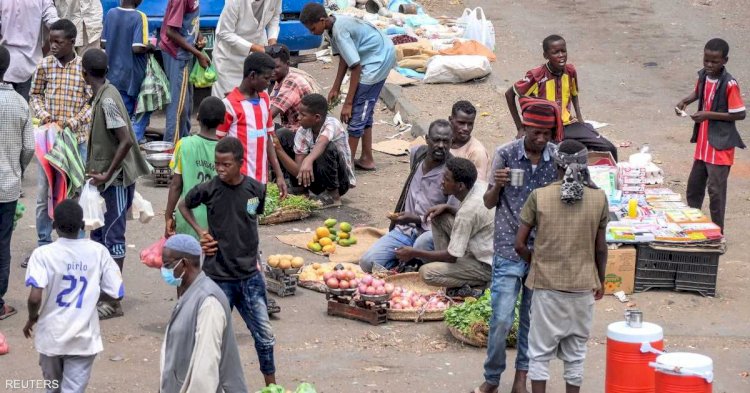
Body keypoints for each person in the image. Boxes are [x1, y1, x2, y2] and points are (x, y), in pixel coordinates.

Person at [475, 97, 560, 393]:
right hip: (509, 247)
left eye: (546, 133)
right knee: (500, 319)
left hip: (541, 252)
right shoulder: (506, 154)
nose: (540, 139)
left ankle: (521, 377)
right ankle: (492, 377)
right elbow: (488, 203)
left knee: (531, 321)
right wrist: (497, 184)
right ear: (524, 127)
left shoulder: (556, 158)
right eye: (535, 132)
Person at [179, 137, 277, 387]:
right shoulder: (209, 189)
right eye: (217, 164)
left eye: (226, 165)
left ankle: (272, 386)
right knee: (209, 340)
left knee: (264, 337)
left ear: (240, 164)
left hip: (249, 278)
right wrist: (201, 232)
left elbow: (251, 216)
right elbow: (184, 205)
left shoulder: (255, 190)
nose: (220, 169)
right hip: (217, 279)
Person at [515, 139, 609, 393]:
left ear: (556, 163)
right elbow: (600, 248)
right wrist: (600, 279)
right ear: (584, 164)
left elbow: (519, 244)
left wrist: (536, 263)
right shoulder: (598, 198)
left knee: (539, 354)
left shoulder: (540, 196)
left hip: (546, 288)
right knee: (576, 355)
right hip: (582, 289)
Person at [22, 200, 124, 392]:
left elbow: (35, 297)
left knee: (52, 387)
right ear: (82, 225)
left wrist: (32, 318)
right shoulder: (98, 251)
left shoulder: (42, 254)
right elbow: (117, 292)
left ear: (53, 226)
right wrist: (90, 296)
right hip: (83, 338)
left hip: (51, 336)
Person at [81, 49, 150, 319]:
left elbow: (126, 140)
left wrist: (107, 173)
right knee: (99, 237)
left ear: (84, 73)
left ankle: (113, 299)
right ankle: (103, 292)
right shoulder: (103, 95)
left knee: (113, 237)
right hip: (105, 179)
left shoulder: (108, 100)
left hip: (116, 180)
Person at [301, 2, 396, 171]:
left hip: (378, 59)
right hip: (377, 54)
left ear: (322, 20)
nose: (311, 32)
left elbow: (356, 67)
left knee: (357, 113)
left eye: (312, 28)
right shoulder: (332, 25)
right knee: (365, 109)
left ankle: (346, 165)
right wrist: (335, 87)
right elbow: (345, 57)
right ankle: (367, 158)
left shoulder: (338, 31)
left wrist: (348, 103)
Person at [28, 18, 92, 266]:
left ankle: (76, 244)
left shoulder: (82, 69)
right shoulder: (44, 66)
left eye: (58, 41)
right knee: (45, 194)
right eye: (50, 40)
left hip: (76, 141)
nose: (53, 45)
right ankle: (44, 244)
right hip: (49, 141)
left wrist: (73, 122)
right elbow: (35, 96)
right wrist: (46, 117)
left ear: (72, 42)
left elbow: (90, 102)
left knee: (74, 192)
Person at [359, 120, 453, 273]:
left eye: (445, 141)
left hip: (431, 235)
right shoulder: (417, 154)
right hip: (404, 230)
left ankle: (417, 264)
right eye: (436, 140)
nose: (441, 145)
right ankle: (403, 267)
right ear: (427, 139)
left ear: (451, 142)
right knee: (367, 262)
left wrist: (416, 219)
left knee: (422, 244)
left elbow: (451, 218)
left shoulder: (452, 171)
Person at [506, 34, 618, 161]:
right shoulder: (536, 76)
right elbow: (510, 94)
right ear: (546, 56)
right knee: (551, 159)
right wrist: (520, 128)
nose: (561, 55)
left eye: (563, 51)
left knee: (609, 148)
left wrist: (580, 119)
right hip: (547, 128)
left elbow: (574, 94)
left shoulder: (570, 71)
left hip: (568, 125)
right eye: (555, 52)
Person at [159, 234, 248, 393]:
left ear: (184, 263)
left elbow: (205, 369)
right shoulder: (189, 294)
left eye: (167, 264)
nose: (164, 270)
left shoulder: (209, 302)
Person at [676, 38, 746, 233]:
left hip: (720, 146)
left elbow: (739, 113)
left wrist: (707, 114)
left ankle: (718, 231)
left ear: (725, 61)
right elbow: (699, 93)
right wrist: (685, 101)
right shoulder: (704, 76)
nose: (709, 65)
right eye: (706, 60)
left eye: (714, 61)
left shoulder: (730, 84)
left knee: (716, 192)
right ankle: (692, 225)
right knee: (694, 188)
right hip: (703, 144)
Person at [395, 157, 494, 294]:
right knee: (438, 217)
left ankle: (478, 284)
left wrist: (413, 253)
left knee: (426, 273)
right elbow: (474, 219)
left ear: (460, 186)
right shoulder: (477, 185)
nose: (442, 182)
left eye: (446, 179)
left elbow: (451, 256)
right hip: (477, 246)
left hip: (485, 264)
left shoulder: (467, 212)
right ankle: (454, 272)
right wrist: (449, 207)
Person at [217, 52, 287, 198]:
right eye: (266, 78)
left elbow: (268, 138)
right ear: (253, 75)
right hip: (237, 182)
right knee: (241, 218)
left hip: (261, 181)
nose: (269, 83)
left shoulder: (265, 98)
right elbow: (217, 143)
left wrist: (279, 175)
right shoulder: (229, 105)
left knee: (253, 217)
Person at [0, 46, 35, 320]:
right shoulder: (20, 104)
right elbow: (28, 148)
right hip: (7, 186)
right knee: (2, 244)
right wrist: (18, 170)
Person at [275, 94, 355, 206]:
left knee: (325, 148)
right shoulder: (302, 131)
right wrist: (278, 149)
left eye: (303, 115)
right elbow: (299, 171)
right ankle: (300, 190)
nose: (298, 118)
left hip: (339, 181)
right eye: (299, 113)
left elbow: (322, 142)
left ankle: (333, 197)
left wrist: (308, 160)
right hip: (315, 179)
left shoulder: (332, 124)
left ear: (317, 117)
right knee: (282, 134)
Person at [165, 96, 224, 239]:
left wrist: (168, 215)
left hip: (187, 217)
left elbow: (176, 185)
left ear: (197, 117)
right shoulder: (224, 150)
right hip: (215, 222)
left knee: (187, 258)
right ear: (222, 122)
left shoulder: (184, 144)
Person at [101, 0, 152, 144]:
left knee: (117, 111)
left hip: (112, 73)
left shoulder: (110, 14)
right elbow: (137, 47)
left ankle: (121, 140)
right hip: (132, 74)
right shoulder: (139, 16)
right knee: (137, 109)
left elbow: (103, 43)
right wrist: (150, 47)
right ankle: (132, 140)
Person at [159, 0, 210, 143]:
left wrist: (198, 36)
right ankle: (171, 150)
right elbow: (170, 31)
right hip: (176, 54)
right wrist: (198, 54)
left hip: (185, 53)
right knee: (178, 107)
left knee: (186, 104)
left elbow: (189, 22)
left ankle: (185, 143)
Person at [212, 0, 281, 98]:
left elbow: (275, 16)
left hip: (258, 55)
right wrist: (255, 48)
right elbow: (225, 33)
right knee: (228, 103)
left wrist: (272, 41)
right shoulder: (235, 2)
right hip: (230, 59)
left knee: (257, 101)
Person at [0, 0, 59, 101]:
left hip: (4, 66)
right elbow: (54, 22)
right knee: (24, 110)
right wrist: (46, 49)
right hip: (29, 65)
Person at [267, 44, 321, 131]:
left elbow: (269, 116)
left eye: (276, 67)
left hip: (302, 132)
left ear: (287, 64)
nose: (272, 71)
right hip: (295, 128)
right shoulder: (283, 77)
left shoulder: (291, 82)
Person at [449, 100, 490, 181]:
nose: (466, 128)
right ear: (450, 120)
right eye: (461, 123)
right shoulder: (443, 142)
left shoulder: (477, 152)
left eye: (470, 124)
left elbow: (478, 186)